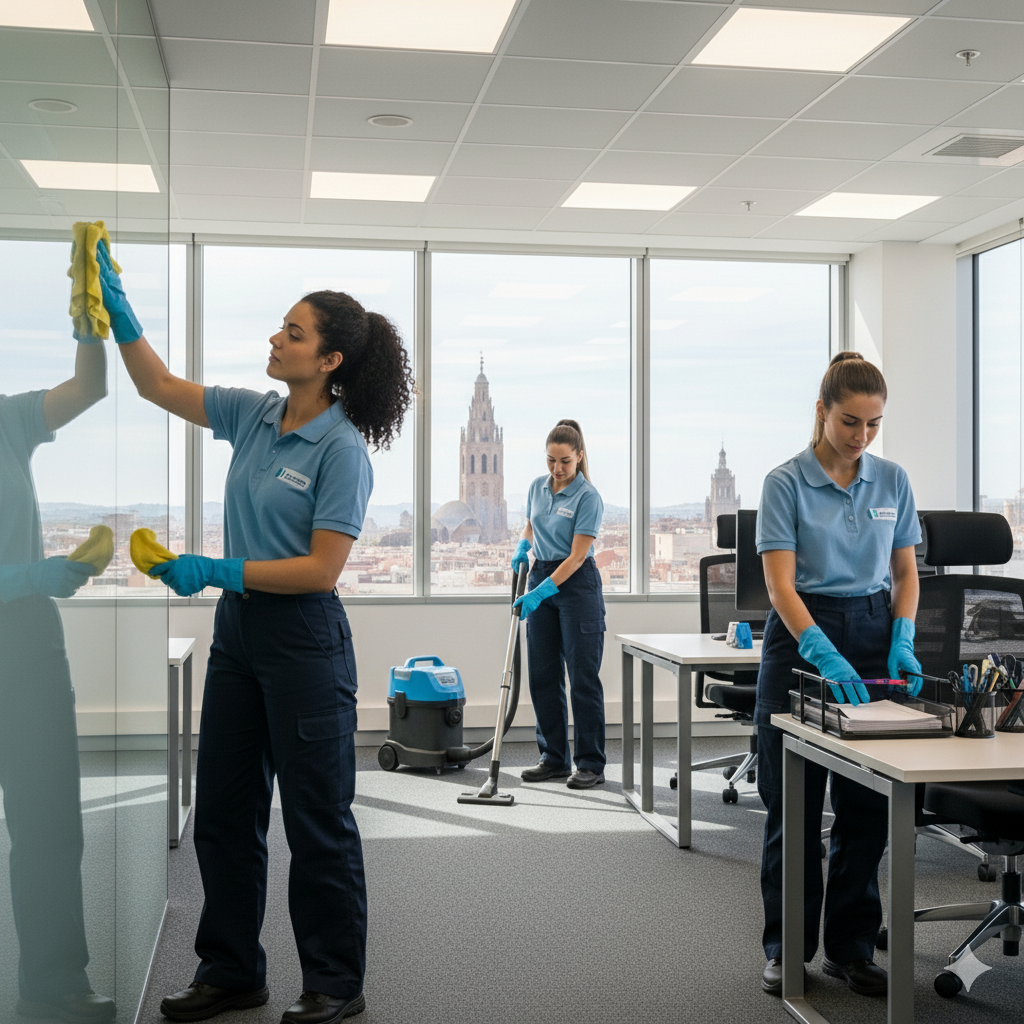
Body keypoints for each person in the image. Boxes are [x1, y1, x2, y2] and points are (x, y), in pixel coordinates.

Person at [93, 242, 414, 1024]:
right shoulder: (256, 412)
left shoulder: (341, 449)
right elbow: (158, 385)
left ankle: (335, 982)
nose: (276, 339)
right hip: (240, 638)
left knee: (316, 820)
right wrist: (120, 315)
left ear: (329, 359)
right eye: (280, 327)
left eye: (293, 333)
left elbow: (320, 570)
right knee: (226, 811)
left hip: (303, 638)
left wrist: (218, 570)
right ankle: (232, 969)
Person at [754, 351, 923, 998]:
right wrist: (822, 650)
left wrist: (902, 636)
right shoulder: (786, 483)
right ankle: (785, 948)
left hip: (878, 630)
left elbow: (905, 574)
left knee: (866, 806)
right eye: (850, 421)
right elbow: (780, 585)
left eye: (874, 424)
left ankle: (850, 948)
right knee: (792, 806)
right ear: (822, 411)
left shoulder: (893, 481)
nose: (861, 437)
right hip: (803, 636)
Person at [0, 319, 114, 1021]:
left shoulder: (8, 419)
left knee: (48, 822)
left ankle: (54, 978)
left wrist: (88, 322)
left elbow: (89, 388)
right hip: (22, 603)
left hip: (28, 644)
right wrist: (28, 574)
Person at [511, 419, 607, 790]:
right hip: (542, 574)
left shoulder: (588, 497)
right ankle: (553, 757)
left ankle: (590, 763)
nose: (557, 468)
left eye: (565, 461)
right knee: (543, 675)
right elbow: (531, 525)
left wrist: (541, 592)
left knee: (582, 677)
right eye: (551, 460)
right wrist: (523, 546)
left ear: (579, 456)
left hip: (575, 585)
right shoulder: (538, 487)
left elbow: (578, 557)